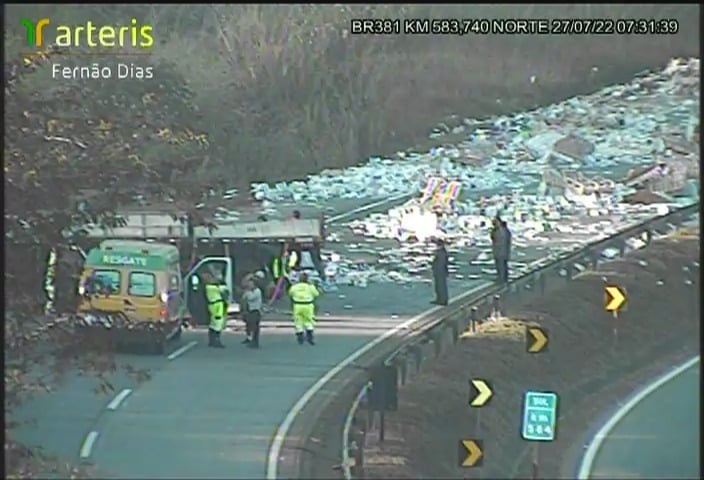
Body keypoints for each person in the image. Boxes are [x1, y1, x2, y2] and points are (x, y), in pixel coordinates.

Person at [287, 272, 319, 345]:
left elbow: (290, 293)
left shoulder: (295, 286)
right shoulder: (310, 287)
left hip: (297, 305)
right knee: (309, 321)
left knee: (298, 321)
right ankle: (309, 337)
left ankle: (300, 337)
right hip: (308, 305)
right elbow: (316, 294)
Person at [203, 271, 227, 348]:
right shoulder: (212, 287)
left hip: (213, 305)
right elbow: (225, 291)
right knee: (218, 322)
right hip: (217, 305)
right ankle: (217, 340)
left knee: (213, 322)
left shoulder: (208, 287)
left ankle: (211, 340)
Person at [240, 276, 263, 349]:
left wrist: (247, 292)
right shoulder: (249, 291)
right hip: (249, 310)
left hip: (255, 311)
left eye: (251, 284)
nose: (249, 285)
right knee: (248, 325)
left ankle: (255, 341)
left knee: (254, 327)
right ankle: (249, 338)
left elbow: (250, 298)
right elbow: (243, 299)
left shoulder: (257, 291)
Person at [490, 216, 512, 284]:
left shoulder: (501, 231)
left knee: (501, 265)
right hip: (501, 251)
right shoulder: (503, 230)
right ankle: (503, 278)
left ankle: (502, 279)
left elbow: (495, 238)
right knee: (502, 265)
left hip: (501, 251)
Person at [430, 238, 449, 306]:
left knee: (440, 286)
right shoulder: (443, 252)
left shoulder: (441, 252)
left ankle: (441, 300)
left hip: (440, 271)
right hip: (440, 271)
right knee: (441, 286)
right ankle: (442, 299)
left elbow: (438, 262)